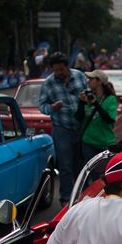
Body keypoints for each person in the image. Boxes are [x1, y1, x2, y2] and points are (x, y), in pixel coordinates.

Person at [38, 52, 88, 206]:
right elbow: (42, 106)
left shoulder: (79, 76)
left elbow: (91, 94)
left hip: (81, 127)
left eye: (61, 69)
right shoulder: (48, 83)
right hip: (62, 128)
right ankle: (66, 200)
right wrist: (52, 107)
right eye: (55, 70)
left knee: (82, 165)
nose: (58, 73)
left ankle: (84, 196)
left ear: (67, 66)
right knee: (65, 165)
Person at [76, 69, 118, 165]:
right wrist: (81, 102)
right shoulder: (89, 96)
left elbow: (109, 119)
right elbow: (79, 118)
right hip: (88, 142)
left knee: (104, 173)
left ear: (99, 81)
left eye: (91, 79)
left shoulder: (110, 99)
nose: (88, 81)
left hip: (104, 143)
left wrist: (95, 104)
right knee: (92, 173)